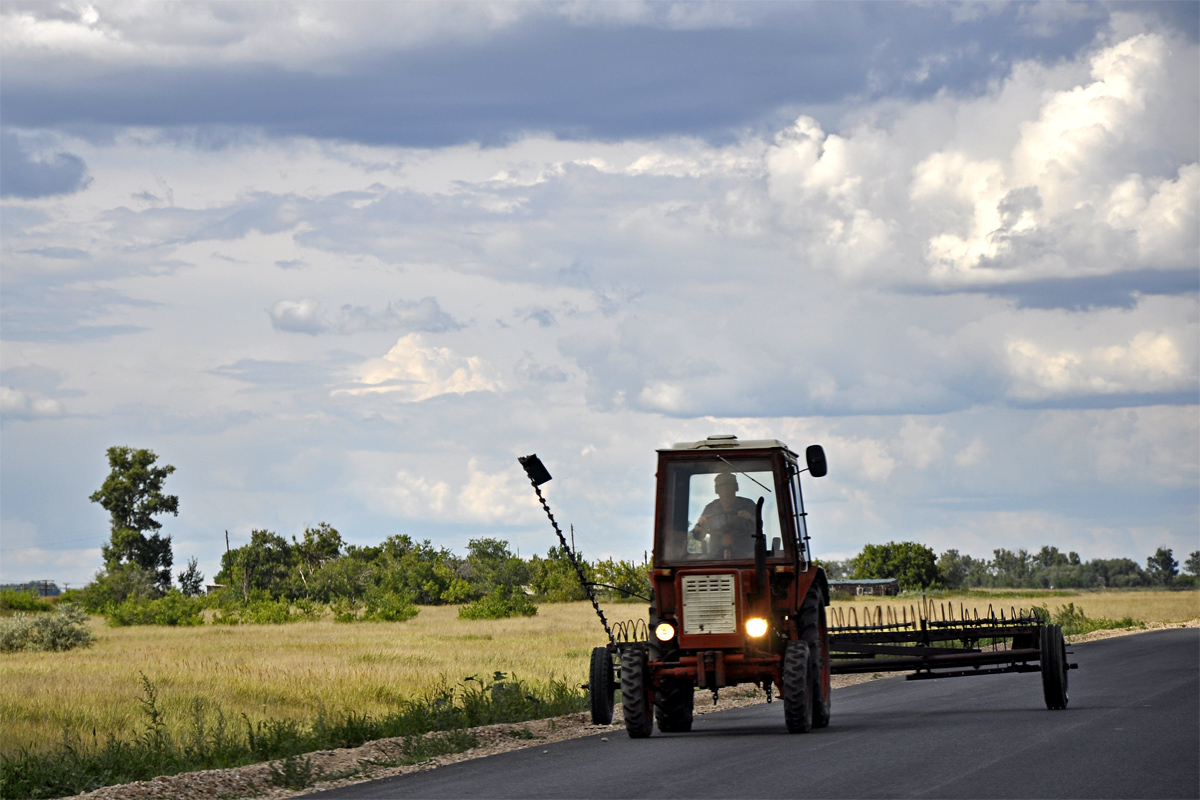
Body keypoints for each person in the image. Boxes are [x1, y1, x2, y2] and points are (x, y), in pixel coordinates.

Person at [689, 473, 758, 559]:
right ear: (716, 490)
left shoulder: (748, 505)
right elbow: (699, 536)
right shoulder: (710, 508)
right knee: (701, 560)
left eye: (729, 487)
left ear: (736, 488)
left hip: (745, 556)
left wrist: (750, 518)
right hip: (716, 557)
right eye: (721, 487)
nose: (725, 491)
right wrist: (699, 526)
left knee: (756, 559)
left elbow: (759, 527)